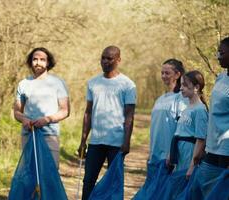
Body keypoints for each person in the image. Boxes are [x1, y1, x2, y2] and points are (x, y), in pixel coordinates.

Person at [77, 45, 136, 200]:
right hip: (96, 141)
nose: (105, 61)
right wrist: (83, 141)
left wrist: (126, 141)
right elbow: (88, 112)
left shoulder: (128, 84)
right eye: (103, 57)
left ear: (118, 60)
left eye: (109, 58)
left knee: (114, 182)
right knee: (88, 180)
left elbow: (129, 116)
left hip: (116, 143)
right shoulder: (93, 83)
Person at [132, 59, 187, 200]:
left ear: (177, 74)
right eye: (162, 73)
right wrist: (150, 154)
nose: (163, 76)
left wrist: (172, 155)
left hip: (169, 158)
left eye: (167, 73)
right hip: (155, 157)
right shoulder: (160, 99)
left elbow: (182, 130)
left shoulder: (182, 100)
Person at [13, 47, 70, 168]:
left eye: (42, 59)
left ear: (48, 62)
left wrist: (47, 119)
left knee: (50, 172)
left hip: (50, 134)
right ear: (30, 62)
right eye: (35, 59)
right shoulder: (23, 84)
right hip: (29, 134)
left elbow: (65, 111)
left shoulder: (58, 83)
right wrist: (24, 120)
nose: (38, 62)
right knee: (28, 172)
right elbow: (17, 111)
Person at [187, 37, 229, 199]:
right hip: (212, 148)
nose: (218, 56)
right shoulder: (221, 77)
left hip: (226, 151)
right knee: (201, 192)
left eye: (222, 52)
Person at [168, 70, 208, 177]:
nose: (181, 88)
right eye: (181, 85)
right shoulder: (187, 108)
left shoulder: (200, 110)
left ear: (196, 87)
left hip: (189, 152)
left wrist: (192, 166)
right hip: (180, 152)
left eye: (185, 85)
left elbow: (201, 139)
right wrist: (170, 154)